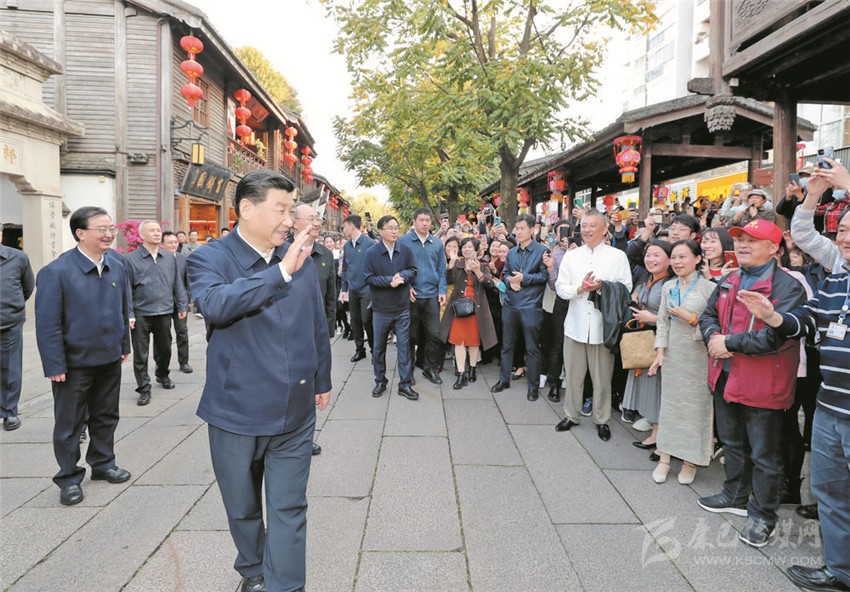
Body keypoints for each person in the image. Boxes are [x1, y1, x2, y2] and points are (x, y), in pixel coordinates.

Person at [187, 170, 331, 592]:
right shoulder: (209, 258)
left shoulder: (300, 259)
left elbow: (316, 323)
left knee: (289, 507)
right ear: (247, 209)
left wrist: (321, 377)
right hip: (237, 411)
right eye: (281, 210)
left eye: (291, 210)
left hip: (295, 410)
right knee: (243, 505)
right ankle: (253, 568)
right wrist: (281, 272)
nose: (289, 221)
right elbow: (216, 304)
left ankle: (286, 585)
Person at [736, 206, 850, 592]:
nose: (845, 238)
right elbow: (805, 320)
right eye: (841, 230)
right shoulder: (836, 281)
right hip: (829, 406)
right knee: (830, 495)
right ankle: (840, 570)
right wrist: (772, 316)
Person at [697, 218, 807, 548]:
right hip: (725, 376)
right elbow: (708, 315)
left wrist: (728, 343)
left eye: (752, 240)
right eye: (739, 239)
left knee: (764, 454)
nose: (742, 245)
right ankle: (734, 494)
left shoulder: (788, 287)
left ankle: (763, 515)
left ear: (774, 248)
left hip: (763, 382)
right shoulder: (730, 278)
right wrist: (713, 337)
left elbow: (776, 335)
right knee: (732, 443)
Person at [35, 207, 132, 506]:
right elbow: (48, 324)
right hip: (73, 363)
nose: (108, 234)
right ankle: (68, 477)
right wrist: (54, 364)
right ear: (80, 233)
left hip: (108, 357)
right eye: (101, 229)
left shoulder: (116, 266)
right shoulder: (56, 272)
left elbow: (122, 309)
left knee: (106, 415)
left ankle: (103, 463)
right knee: (70, 423)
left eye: (111, 228)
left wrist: (123, 345)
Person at [555, 209, 632, 441]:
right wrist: (580, 288)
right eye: (584, 226)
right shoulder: (571, 256)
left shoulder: (617, 256)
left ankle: (602, 419)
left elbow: (626, 287)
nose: (587, 230)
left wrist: (602, 287)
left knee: (602, 379)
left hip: (602, 327)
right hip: (575, 325)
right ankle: (571, 414)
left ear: (604, 229)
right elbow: (561, 288)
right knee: (573, 376)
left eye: (592, 226)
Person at [648, 240, 717, 484]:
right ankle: (665, 458)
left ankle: (690, 461)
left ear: (697, 259)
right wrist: (660, 351)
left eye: (683, 257)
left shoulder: (710, 288)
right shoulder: (669, 286)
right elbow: (662, 321)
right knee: (670, 407)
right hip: (673, 355)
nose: (677, 262)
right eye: (674, 257)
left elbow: (716, 325)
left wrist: (692, 319)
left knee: (695, 409)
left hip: (698, 356)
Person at [125, 221, 188, 406]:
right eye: (152, 230)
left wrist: (182, 305)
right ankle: (144, 388)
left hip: (164, 310)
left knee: (165, 348)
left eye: (158, 230)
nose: (157, 233)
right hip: (141, 312)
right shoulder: (130, 259)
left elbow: (177, 283)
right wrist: (129, 313)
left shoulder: (168, 257)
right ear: (141, 236)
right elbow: (126, 289)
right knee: (140, 354)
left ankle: (162, 374)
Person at [490, 214, 550, 401]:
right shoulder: (512, 252)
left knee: (532, 348)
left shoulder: (542, 251)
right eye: (517, 228)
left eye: (522, 228)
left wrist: (524, 279)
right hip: (511, 304)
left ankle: (533, 386)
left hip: (531, 305)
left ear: (532, 229)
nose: (518, 232)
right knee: (507, 345)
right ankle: (504, 379)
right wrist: (510, 281)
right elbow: (506, 273)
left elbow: (544, 276)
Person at [622, 240, 672, 451]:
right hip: (645, 339)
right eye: (648, 255)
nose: (651, 259)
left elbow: (676, 317)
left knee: (658, 387)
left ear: (669, 259)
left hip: (662, 341)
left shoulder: (671, 284)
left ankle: (658, 435)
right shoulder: (647, 280)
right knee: (650, 386)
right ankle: (655, 429)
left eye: (657, 255)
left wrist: (651, 318)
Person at [363, 215, 418, 400]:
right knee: (379, 348)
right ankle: (380, 381)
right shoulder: (371, 253)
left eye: (396, 228)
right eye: (391, 228)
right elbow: (368, 278)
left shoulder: (406, 250)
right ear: (380, 231)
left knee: (404, 347)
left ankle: (405, 384)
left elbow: (413, 269)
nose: (395, 231)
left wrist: (403, 276)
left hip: (402, 307)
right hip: (381, 309)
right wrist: (389, 281)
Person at [440, 237, 497, 389]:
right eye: (464, 247)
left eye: (469, 247)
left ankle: (472, 368)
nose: (466, 249)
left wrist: (477, 271)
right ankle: (461, 373)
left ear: (476, 250)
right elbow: (448, 280)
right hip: (459, 309)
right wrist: (452, 263)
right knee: (458, 341)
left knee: (473, 341)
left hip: (476, 309)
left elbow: (490, 284)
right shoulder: (457, 264)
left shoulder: (483, 266)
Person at [403, 208, 447, 385]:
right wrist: (406, 287)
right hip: (411, 296)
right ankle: (408, 369)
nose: (424, 223)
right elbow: (398, 267)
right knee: (410, 335)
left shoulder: (436, 243)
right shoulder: (404, 241)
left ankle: (429, 368)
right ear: (414, 222)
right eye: (421, 220)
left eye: (427, 220)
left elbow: (441, 269)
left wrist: (442, 290)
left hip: (431, 295)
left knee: (434, 334)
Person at [0, 226, 35, 431]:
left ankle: (9, 412)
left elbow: (27, 287)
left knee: (10, 369)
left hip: (9, 322)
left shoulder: (18, 258)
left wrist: (13, 306)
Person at [292, 204, 336, 337]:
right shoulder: (282, 252)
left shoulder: (326, 254)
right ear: (295, 223)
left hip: (318, 328)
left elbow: (330, 297)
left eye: (317, 219)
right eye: (311, 219)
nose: (317, 223)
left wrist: (329, 330)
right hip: (289, 329)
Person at [340, 214, 375, 362]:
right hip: (353, 289)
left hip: (367, 289)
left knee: (367, 320)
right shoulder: (347, 246)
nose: (343, 230)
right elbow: (345, 269)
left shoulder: (370, 244)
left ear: (352, 226)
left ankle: (375, 350)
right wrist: (343, 289)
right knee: (355, 321)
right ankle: (360, 349)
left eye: (344, 227)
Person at [161, 231, 193, 374]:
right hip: (163, 303)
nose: (173, 245)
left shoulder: (182, 258)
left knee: (182, 332)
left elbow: (187, 280)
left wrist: (188, 300)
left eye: (175, 242)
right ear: (162, 244)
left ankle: (184, 362)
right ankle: (162, 365)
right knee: (163, 335)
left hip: (180, 302)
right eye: (170, 242)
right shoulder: (158, 259)